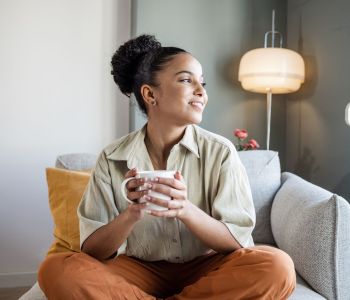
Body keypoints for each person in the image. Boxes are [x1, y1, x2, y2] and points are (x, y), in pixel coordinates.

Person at [38, 34, 296, 299]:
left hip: (207, 267)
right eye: (187, 80)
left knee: (277, 267)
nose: (201, 91)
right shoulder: (111, 157)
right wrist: (132, 213)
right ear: (150, 94)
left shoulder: (220, 152)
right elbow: (92, 251)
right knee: (57, 269)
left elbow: (236, 241)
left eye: (202, 82)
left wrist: (185, 209)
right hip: (136, 268)